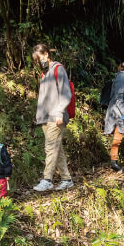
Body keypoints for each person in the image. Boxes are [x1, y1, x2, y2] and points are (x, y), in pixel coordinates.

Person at [31, 44, 74, 192]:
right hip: (45, 117)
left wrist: (60, 112)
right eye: (36, 60)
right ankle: (67, 179)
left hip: (56, 116)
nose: (38, 62)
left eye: (39, 58)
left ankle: (47, 179)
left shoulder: (58, 69)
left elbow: (65, 93)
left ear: (46, 54)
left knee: (50, 147)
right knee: (57, 149)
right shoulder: (44, 73)